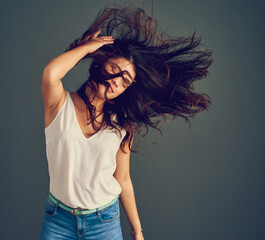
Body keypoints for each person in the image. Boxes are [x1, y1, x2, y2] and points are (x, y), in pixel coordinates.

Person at [39, 3, 213, 240]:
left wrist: (137, 231)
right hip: (58, 220)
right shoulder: (58, 104)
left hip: (104, 221)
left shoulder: (122, 125)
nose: (117, 83)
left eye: (125, 81)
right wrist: (88, 48)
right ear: (99, 63)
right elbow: (51, 73)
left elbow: (122, 179)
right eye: (115, 70)